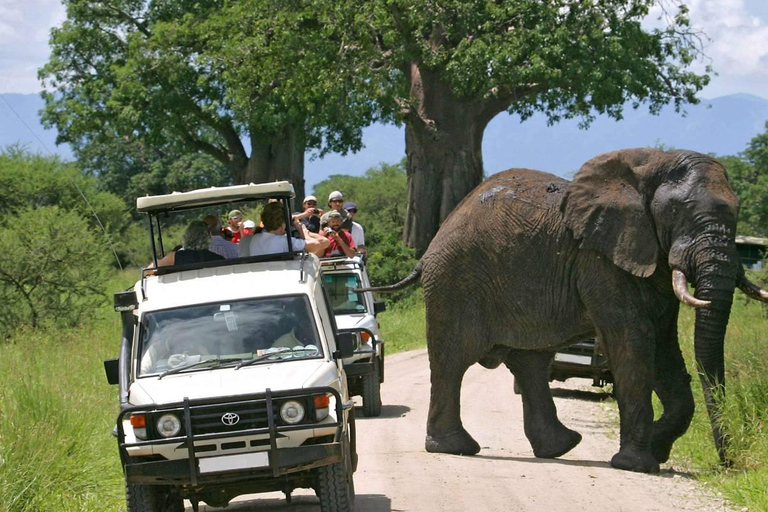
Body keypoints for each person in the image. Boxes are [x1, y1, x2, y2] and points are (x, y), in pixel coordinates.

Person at [246, 202, 329, 258]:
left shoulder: (255, 239)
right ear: (282, 223)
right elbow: (317, 245)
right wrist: (303, 231)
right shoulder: (285, 241)